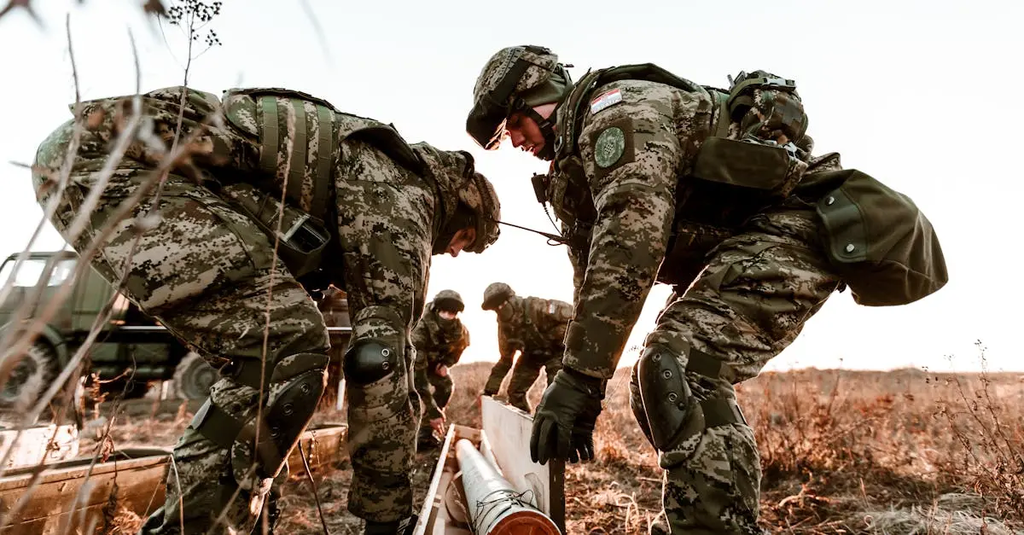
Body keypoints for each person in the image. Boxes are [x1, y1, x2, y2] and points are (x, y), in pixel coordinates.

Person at [466, 46, 946, 534]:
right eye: (505, 136)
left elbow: (631, 241)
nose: (515, 141)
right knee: (652, 379)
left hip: (799, 223)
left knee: (679, 364)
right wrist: (582, 379)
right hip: (744, 242)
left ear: (543, 96)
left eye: (514, 124)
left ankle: (716, 528)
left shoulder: (619, 112)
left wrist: (581, 377)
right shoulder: (573, 167)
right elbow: (593, 278)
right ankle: (700, 518)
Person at [32, 85, 500, 535]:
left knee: (275, 350)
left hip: (102, 159)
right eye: (465, 240)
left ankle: (216, 515)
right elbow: (379, 358)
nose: (454, 252)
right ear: (461, 207)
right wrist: (387, 515)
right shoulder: (402, 194)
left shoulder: (376, 173)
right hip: (116, 164)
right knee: (288, 345)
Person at [480, 282, 572, 413]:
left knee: (554, 393)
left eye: (502, 305)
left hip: (557, 352)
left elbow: (573, 317)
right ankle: (525, 422)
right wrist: (489, 391)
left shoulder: (536, 307)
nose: (500, 310)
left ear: (511, 300)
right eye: (496, 308)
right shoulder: (505, 329)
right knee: (515, 393)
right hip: (531, 356)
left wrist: (554, 336)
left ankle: (551, 422)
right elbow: (505, 360)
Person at [410, 289, 469, 450]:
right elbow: (419, 380)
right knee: (408, 396)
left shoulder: (459, 331)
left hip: (433, 363)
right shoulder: (420, 328)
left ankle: (425, 434)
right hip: (409, 365)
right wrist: (433, 410)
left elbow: (460, 348)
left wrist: (445, 364)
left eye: (452, 313)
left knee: (446, 386)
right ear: (436, 310)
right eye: (444, 312)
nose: (448, 316)